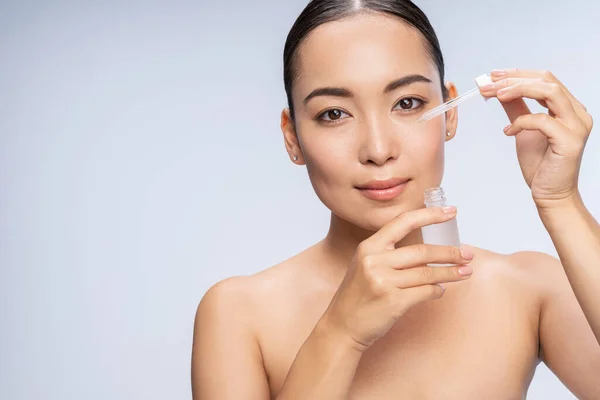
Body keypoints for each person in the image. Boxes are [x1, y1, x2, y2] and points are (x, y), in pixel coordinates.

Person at [191, 1, 600, 398]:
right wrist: (339, 334)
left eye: (408, 103)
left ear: (449, 113)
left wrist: (560, 200)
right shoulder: (237, 315)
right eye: (334, 113)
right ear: (292, 136)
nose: (378, 148)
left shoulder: (528, 291)